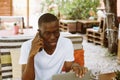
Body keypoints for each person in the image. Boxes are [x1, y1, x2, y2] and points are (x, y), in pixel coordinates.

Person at [19, 13, 87, 80]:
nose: (53, 37)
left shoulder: (66, 43)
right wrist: (31, 55)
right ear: (39, 33)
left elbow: (68, 69)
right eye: (47, 33)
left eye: (56, 32)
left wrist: (75, 66)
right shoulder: (27, 46)